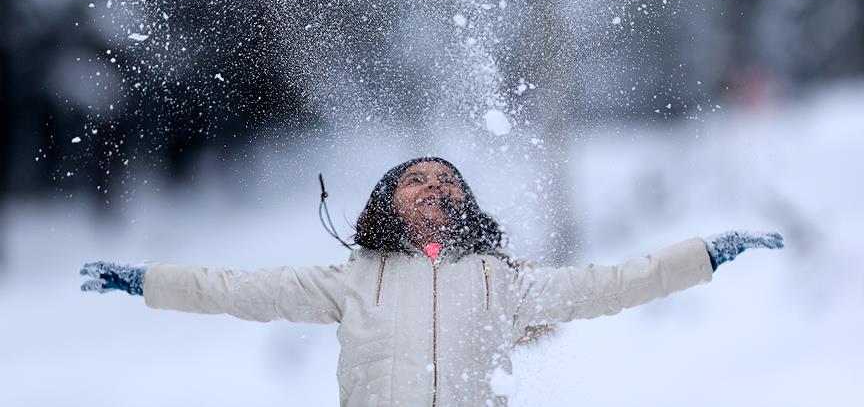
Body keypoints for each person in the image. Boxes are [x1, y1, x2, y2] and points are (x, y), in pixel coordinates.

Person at [80, 156, 784, 406]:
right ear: (388, 202)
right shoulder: (350, 280)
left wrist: (706, 254)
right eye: (415, 179)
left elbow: (614, 283)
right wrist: (145, 280)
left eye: (448, 181)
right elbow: (233, 288)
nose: (433, 187)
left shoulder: (501, 283)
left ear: (465, 204)